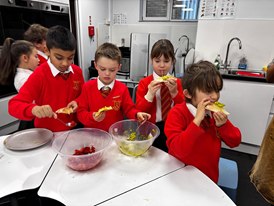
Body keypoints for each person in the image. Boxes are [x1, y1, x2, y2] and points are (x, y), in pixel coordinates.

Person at [165, 60, 241, 184]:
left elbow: (235, 141)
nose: (215, 96)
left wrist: (223, 125)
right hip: (179, 176)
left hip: (208, 177)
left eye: (217, 90)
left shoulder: (214, 113)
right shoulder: (177, 113)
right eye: (208, 91)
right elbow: (178, 149)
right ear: (188, 93)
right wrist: (196, 121)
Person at [8, 25, 85, 132]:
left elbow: (83, 95)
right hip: (47, 133)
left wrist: (77, 102)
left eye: (70, 58)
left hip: (74, 128)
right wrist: (33, 109)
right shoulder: (40, 74)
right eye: (59, 57)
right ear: (47, 51)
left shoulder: (77, 72)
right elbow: (14, 105)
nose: (65, 63)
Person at [77, 43, 150, 132]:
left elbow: (129, 109)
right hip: (92, 135)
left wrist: (137, 114)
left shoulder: (122, 89)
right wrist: (92, 116)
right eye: (103, 69)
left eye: (112, 70)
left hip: (114, 134)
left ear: (119, 67)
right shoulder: (87, 87)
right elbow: (81, 113)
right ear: (95, 65)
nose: (107, 73)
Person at [135, 39, 184, 152]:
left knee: (171, 156)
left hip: (172, 128)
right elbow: (138, 110)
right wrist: (150, 94)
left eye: (166, 61)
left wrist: (175, 93)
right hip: (150, 128)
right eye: (157, 61)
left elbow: (183, 108)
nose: (162, 65)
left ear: (172, 62)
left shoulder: (178, 83)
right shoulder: (144, 83)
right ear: (151, 60)